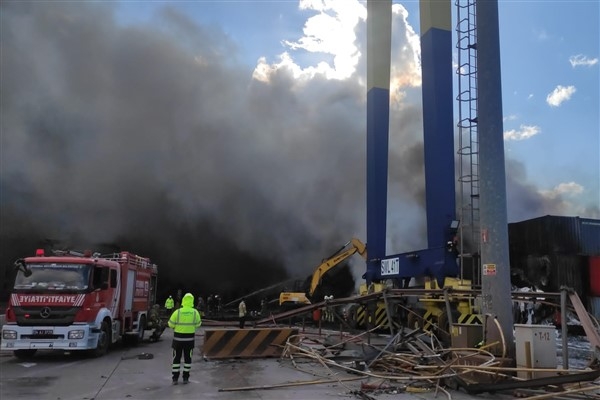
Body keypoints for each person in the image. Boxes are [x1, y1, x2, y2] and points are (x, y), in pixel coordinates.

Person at [168, 293, 202, 385]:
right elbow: (198, 324)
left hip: (177, 340)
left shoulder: (177, 312)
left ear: (183, 300)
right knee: (188, 360)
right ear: (192, 301)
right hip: (189, 341)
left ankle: (175, 378)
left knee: (176, 359)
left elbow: (170, 324)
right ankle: (185, 378)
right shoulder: (195, 312)